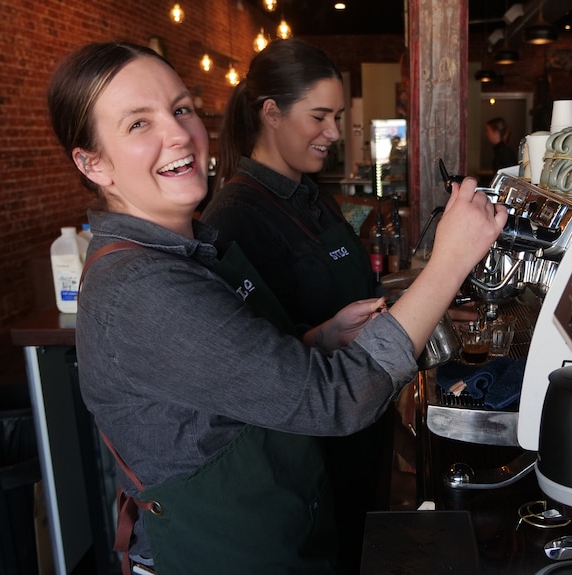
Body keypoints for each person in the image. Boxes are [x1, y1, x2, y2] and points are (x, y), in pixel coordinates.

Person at [46, 41, 506, 575]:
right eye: (137, 124)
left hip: (281, 531)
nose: (177, 135)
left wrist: (318, 340)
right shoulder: (141, 287)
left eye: (180, 109)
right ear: (92, 162)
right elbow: (331, 400)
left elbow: (220, 381)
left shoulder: (194, 246)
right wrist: (449, 263)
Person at [200, 39, 386, 573]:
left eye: (338, 116)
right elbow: (255, 363)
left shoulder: (309, 192)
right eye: (319, 116)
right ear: (271, 113)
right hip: (314, 453)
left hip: (355, 424)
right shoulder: (235, 215)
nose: (333, 132)